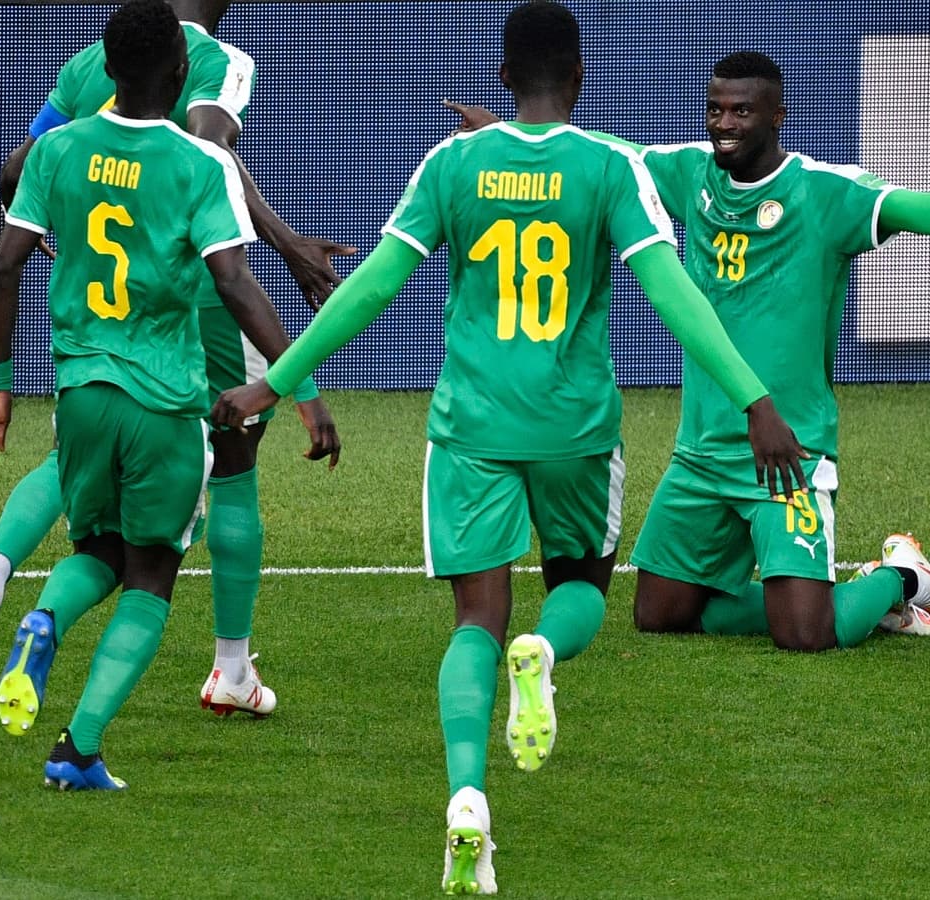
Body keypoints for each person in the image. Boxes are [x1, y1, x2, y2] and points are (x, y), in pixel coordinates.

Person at [213, 3, 803, 891]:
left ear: (501, 79)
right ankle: (548, 655)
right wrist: (756, 399)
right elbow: (675, 292)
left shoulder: (454, 162)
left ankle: (466, 802)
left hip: (471, 431)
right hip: (573, 429)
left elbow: (372, 285)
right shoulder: (609, 167)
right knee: (579, 591)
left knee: (473, 624)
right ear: (579, 78)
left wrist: (276, 378)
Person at [452, 51, 930, 649]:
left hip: (788, 450)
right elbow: (615, 154)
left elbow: (912, 207)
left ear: (776, 116)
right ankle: (829, 597)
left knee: (804, 634)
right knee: (660, 614)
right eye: (715, 109)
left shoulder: (823, 192)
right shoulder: (689, 173)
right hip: (701, 452)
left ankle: (901, 578)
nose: (724, 124)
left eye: (741, 112)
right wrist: (513, 136)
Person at [0, 0, 345, 722]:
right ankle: (228, 668)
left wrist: (51, 243)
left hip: (89, 354)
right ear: (180, 68)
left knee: (85, 505)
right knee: (231, 469)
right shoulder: (221, 64)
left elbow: (14, 177)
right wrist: (301, 370)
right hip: (184, 318)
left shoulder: (82, 77)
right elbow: (209, 161)